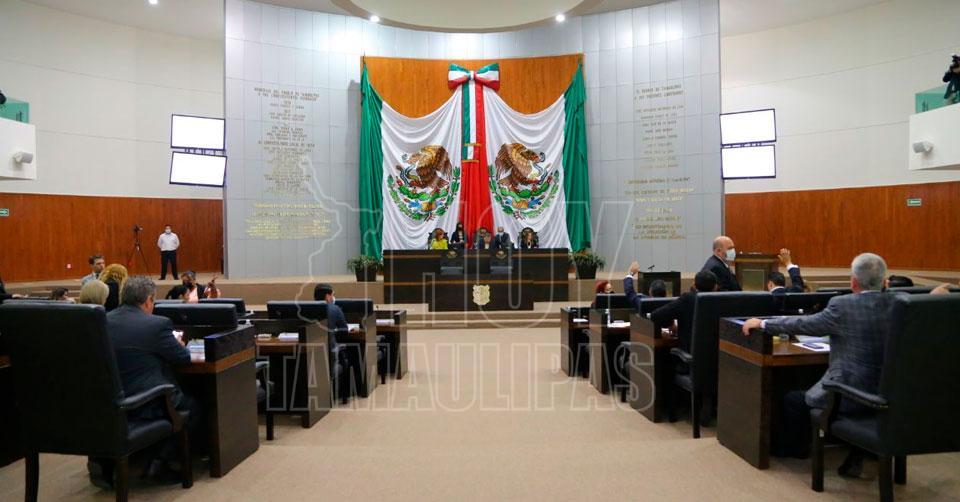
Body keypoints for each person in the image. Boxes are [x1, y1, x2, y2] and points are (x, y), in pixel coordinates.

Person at [740, 253, 951, 471]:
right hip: (891, 397)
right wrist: (934, 297)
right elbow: (919, 311)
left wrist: (763, 324)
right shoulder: (900, 304)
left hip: (849, 396)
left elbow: (803, 324)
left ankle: (795, 449)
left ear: (853, 282)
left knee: (793, 399)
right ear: (884, 282)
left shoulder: (843, 305)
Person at [102, 276, 200, 483]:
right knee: (194, 406)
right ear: (148, 300)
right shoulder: (157, 324)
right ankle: (159, 463)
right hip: (145, 402)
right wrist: (179, 345)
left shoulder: (102, 321)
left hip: (108, 402)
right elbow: (182, 358)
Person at [650, 270, 718, 354]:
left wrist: (670, 324)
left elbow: (655, 315)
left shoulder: (687, 299)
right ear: (715, 287)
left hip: (689, 354)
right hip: (718, 357)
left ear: (694, 285)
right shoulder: (720, 301)